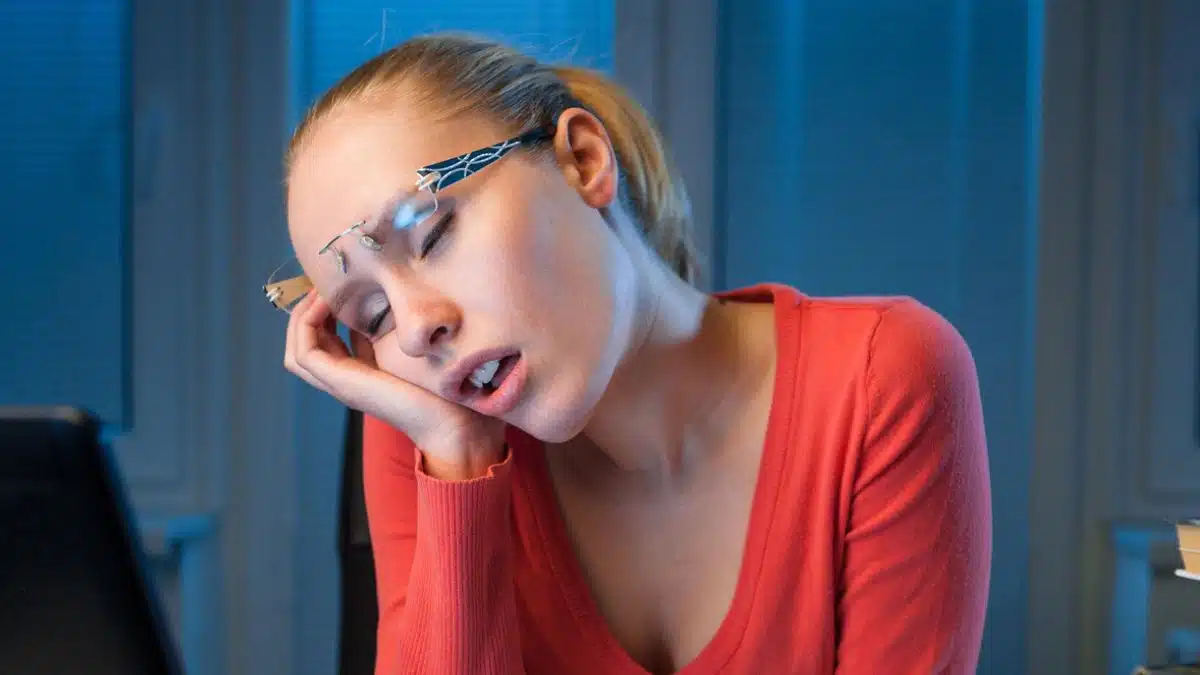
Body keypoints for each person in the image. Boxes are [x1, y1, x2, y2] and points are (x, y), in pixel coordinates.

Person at [273, 33, 992, 675]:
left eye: (431, 236)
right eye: (371, 314)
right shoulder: (427, 433)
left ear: (583, 160)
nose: (416, 328)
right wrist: (458, 465)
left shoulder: (882, 380)